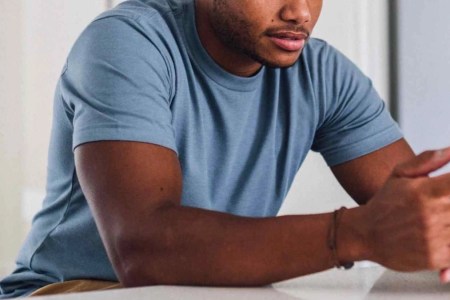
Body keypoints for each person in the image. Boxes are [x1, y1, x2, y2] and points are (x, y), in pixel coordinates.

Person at [2, 0, 450, 297]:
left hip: (209, 292)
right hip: (77, 290)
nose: (300, 12)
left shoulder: (323, 75)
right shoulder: (129, 41)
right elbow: (143, 250)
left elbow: (421, 216)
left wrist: (434, 227)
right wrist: (355, 233)